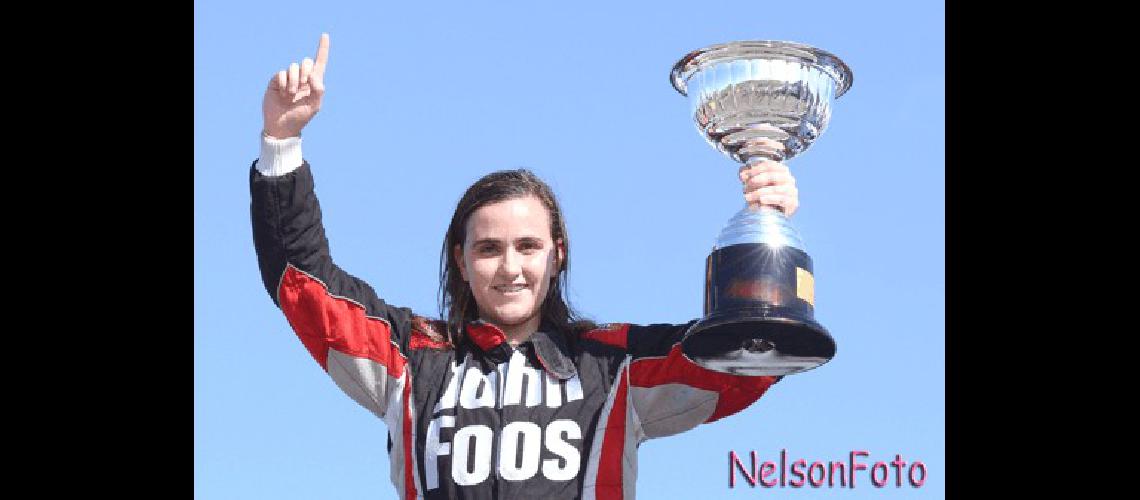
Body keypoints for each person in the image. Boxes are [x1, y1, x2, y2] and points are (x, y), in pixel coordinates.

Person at [251, 33, 802, 500]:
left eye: (529, 247)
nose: (510, 267)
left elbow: (745, 356)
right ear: (461, 263)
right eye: (488, 249)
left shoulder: (616, 367)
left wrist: (768, 227)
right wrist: (282, 141)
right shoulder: (408, 360)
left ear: (558, 255)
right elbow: (303, 283)